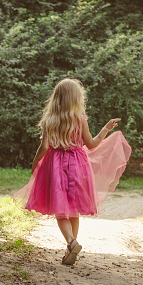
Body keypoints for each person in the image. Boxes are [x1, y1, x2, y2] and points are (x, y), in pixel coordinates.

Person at [15, 78, 131, 265]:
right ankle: (71, 247)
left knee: (60, 210)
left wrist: (36, 161)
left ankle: (71, 242)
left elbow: (44, 147)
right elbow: (91, 145)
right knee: (73, 209)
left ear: (57, 98)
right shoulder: (80, 119)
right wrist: (105, 129)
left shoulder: (50, 120)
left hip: (55, 166)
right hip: (78, 166)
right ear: (76, 98)